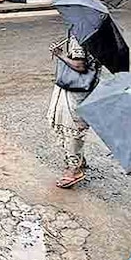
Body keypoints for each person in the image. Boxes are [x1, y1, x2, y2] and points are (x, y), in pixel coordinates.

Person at [50, 35, 100, 189]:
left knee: (71, 127)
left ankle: (74, 169)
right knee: (75, 125)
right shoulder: (92, 32)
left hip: (76, 89)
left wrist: (60, 54)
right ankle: (79, 160)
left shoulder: (80, 35)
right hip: (87, 87)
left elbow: (80, 65)